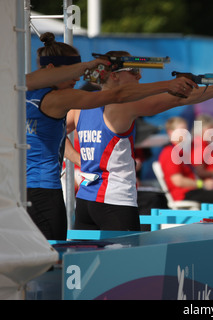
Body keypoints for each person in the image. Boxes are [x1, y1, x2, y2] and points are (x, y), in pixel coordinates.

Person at [26, 33, 196, 240]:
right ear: (52, 70)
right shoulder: (59, 98)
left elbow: (63, 131)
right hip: (49, 192)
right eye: (72, 72)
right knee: (51, 260)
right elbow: (117, 95)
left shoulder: (20, 88)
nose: (78, 78)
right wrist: (167, 85)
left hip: (22, 189)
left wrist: (79, 159)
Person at [67, 51, 213, 231]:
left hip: (85, 201)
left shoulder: (81, 105)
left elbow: (56, 134)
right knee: (124, 260)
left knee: (85, 259)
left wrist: (80, 160)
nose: (139, 76)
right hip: (114, 201)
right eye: (133, 71)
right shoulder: (122, 106)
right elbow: (179, 99)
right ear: (114, 76)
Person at [159, 117, 213, 204]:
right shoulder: (170, 152)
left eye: (186, 129)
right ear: (170, 132)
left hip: (194, 190)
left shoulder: (181, 151)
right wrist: (203, 184)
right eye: (181, 130)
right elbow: (178, 181)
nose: (185, 133)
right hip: (184, 194)